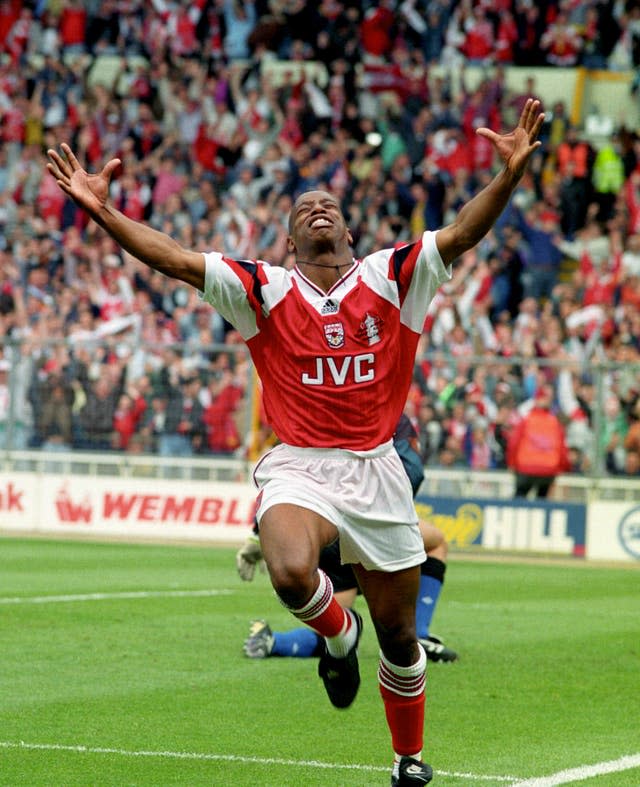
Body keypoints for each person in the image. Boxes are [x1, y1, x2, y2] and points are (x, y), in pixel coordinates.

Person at [46, 98, 543, 786]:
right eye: (304, 204)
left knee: (400, 637)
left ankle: (407, 759)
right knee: (286, 569)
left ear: (346, 227)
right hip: (300, 466)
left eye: (328, 204)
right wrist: (103, 212)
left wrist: (510, 177)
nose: (318, 207)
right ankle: (339, 635)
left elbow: (461, 231)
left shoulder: (393, 276)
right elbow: (176, 259)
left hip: (377, 467)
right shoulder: (263, 289)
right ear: (286, 240)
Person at [239, 414, 458, 663]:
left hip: (321, 532)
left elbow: (287, 477)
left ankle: (273, 641)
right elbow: (413, 473)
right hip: (369, 526)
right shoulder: (392, 416)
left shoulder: (314, 412)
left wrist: (258, 534)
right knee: (436, 542)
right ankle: (420, 636)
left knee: (337, 628)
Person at [506, 383, 570, 499]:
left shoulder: (526, 421)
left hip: (525, 468)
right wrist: (562, 468)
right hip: (548, 470)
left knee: (518, 500)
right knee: (542, 501)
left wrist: (512, 464)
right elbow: (562, 449)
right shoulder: (555, 423)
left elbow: (514, 444)